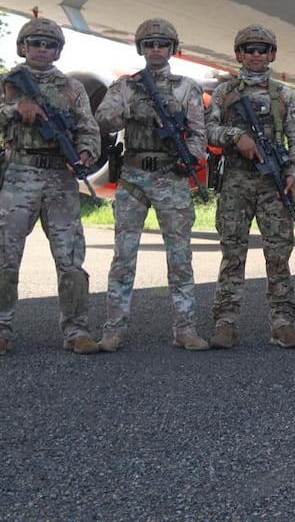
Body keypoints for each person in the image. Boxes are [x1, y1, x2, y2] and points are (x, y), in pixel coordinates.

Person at [0, 17, 101, 356]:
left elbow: (88, 128)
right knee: (4, 258)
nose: (42, 49)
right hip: (18, 174)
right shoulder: (6, 83)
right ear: (23, 47)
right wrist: (14, 108)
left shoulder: (72, 87)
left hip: (60, 177)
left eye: (49, 44)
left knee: (71, 261)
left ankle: (76, 330)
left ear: (58, 50)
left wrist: (85, 154)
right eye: (36, 43)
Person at [94, 19, 210, 352]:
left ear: (172, 48)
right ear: (141, 49)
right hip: (133, 175)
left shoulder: (186, 87)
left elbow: (199, 135)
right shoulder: (126, 87)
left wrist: (186, 157)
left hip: (170, 174)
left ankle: (185, 329)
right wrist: (135, 111)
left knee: (180, 256)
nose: (155, 49)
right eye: (149, 44)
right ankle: (113, 329)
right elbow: (103, 120)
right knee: (124, 257)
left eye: (162, 43)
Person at [205, 24, 295, 350]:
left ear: (272, 54)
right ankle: (226, 322)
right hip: (236, 178)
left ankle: (282, 322)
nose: (256, 55)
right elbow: (208, 130)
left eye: (262, 49)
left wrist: (293, 173)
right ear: (239, 54)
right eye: (249, 49)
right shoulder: (224, 92)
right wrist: (237, 137)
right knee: (232, 252)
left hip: (272, 182)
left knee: (278, 254)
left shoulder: (283, 95)